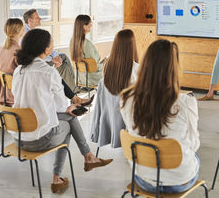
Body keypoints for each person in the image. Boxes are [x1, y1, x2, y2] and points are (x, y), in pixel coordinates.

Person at [11, 28, 112, 193]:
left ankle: (85, 160)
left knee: (68, 119)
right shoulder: (49, 72)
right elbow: (60, 107)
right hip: (38, 140)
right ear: (46, 49)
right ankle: (71, 168)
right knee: (71, 121)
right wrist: (70, 107)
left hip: (18, 137)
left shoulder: (18, 71)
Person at [120, 39, 200, 194]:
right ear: (174, 69)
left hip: (143, 178)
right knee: (194, 156)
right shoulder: (186, 102)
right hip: (178, 181)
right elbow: (194, 144)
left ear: (145, 65)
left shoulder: (126, 98)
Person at [0, 18, 90, 106]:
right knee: (55, 77)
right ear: (20, 30)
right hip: (19, 97)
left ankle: (74, 97)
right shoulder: (18, 52)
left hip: (4, 97)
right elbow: (31, 74)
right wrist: (50, 71)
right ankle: (75, 97)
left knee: (52, 75)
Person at [91, 29, 139, 148]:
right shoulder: (136, 70)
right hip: (130, 124)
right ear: (132, 46)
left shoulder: (107, 68)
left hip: (111, 121)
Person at [23, 9, 75, 91]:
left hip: (44, 60)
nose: (40, 18)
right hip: (37, 63)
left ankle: (73, 91)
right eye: (37, 17)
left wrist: (55, 56)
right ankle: (73, 91)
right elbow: (34, 55)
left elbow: (48, 46)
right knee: (64, 62)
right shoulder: (25, 34)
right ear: (30, 20)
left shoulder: (36, 32)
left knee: (63, 64)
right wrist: (52, 59)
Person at [70, 15, 103, 87]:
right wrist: (105, 65)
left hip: (79, 78)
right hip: (92, 78)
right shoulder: (87, 43)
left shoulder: (72, 41)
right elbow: (94, 66)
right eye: (90, 24)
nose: (91, 25)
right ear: (84, 26)